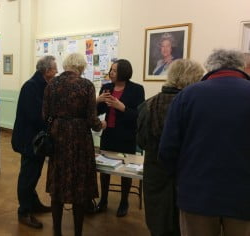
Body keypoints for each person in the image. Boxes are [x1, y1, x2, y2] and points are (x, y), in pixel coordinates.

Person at [159, 49, 250, 235]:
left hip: (196, 195)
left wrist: (181, 180)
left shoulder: (187, 95)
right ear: (242, 67)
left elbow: (167, 149)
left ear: (209, 67)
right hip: (244, 198)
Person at [137, 59, 204, 236]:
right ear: (192, 79)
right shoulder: (194, 106)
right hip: (185, 174)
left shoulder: (148, 104)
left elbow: (141, 142)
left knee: (157, 223)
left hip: (154, 172)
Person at [43, 53, 106, 236]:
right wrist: (100, 125)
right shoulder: (86, 85)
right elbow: (92, 119)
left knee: (57, 184)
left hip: (58, 137)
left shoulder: (51, 85)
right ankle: (78, 232)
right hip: (79, 139)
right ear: (80, 67)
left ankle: (57, 232)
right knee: (79, 186)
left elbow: (45, 114)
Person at [11, 55, 58, 229]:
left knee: (34, 173)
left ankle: (34, 204)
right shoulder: (31, 87)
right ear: (47, 71)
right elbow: (35, 116)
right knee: (28, 176)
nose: (57, 72)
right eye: (54, 69)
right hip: (29, 140)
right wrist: (53, 120)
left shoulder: (42, 85)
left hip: (36, 140)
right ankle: (24, 212)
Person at [96, 59, 145, 217]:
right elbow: (97, 111)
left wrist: (122, 107)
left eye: (115, 70)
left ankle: (124, 201)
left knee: (126, 170)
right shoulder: (106, 87)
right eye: (111, 69)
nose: (111, 72)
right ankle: (103, 200)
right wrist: (98, 102)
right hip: (108, 134)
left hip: (126, 136)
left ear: (124, 72)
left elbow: (139, 115)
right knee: (104, 170)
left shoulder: (137, 89)